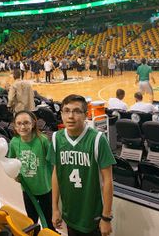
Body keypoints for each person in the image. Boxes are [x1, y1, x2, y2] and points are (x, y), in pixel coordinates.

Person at [48, 94, 115, 236]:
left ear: (86, 115)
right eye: (66, 111)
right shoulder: (56, 138)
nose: (70, 116)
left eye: (77, 111)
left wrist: (106, 217)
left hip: (94, 217)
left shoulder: (97, 139)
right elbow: (56, 174)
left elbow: (108, 181)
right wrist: (55, 209)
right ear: (61, 114)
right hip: (69, 213)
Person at [8, 110, 54, 230]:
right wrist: (14, 174)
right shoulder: (14, 142)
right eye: (19, 123)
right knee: (31, 221)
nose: (22, 126)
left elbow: (53, 163)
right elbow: (10, 161)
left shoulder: (43, 140)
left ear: (33, 123)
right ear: (15, 125)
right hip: (27, 190)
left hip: (45, 189)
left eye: (26, 123)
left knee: (49, 222)